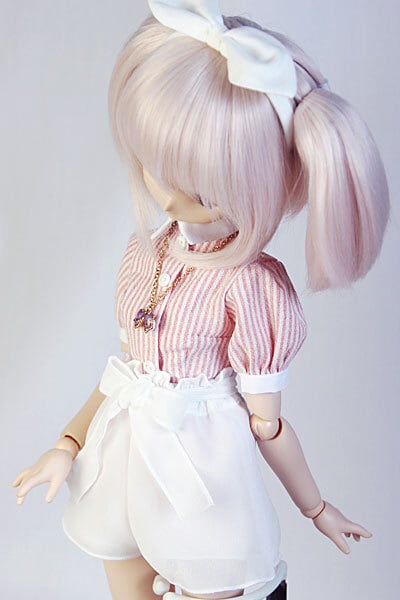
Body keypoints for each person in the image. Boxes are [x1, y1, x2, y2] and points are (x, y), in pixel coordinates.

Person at [12, 1, 389, 599]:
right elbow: (123, 376)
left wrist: (315, 507)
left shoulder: (252, 285)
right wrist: (68, 444)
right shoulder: (146, 253)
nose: (169, 199)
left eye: (202, 191)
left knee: (219, 579)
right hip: (123, 468)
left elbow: (268, 426)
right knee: (123, 577)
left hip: (206, 484)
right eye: (156, 167)